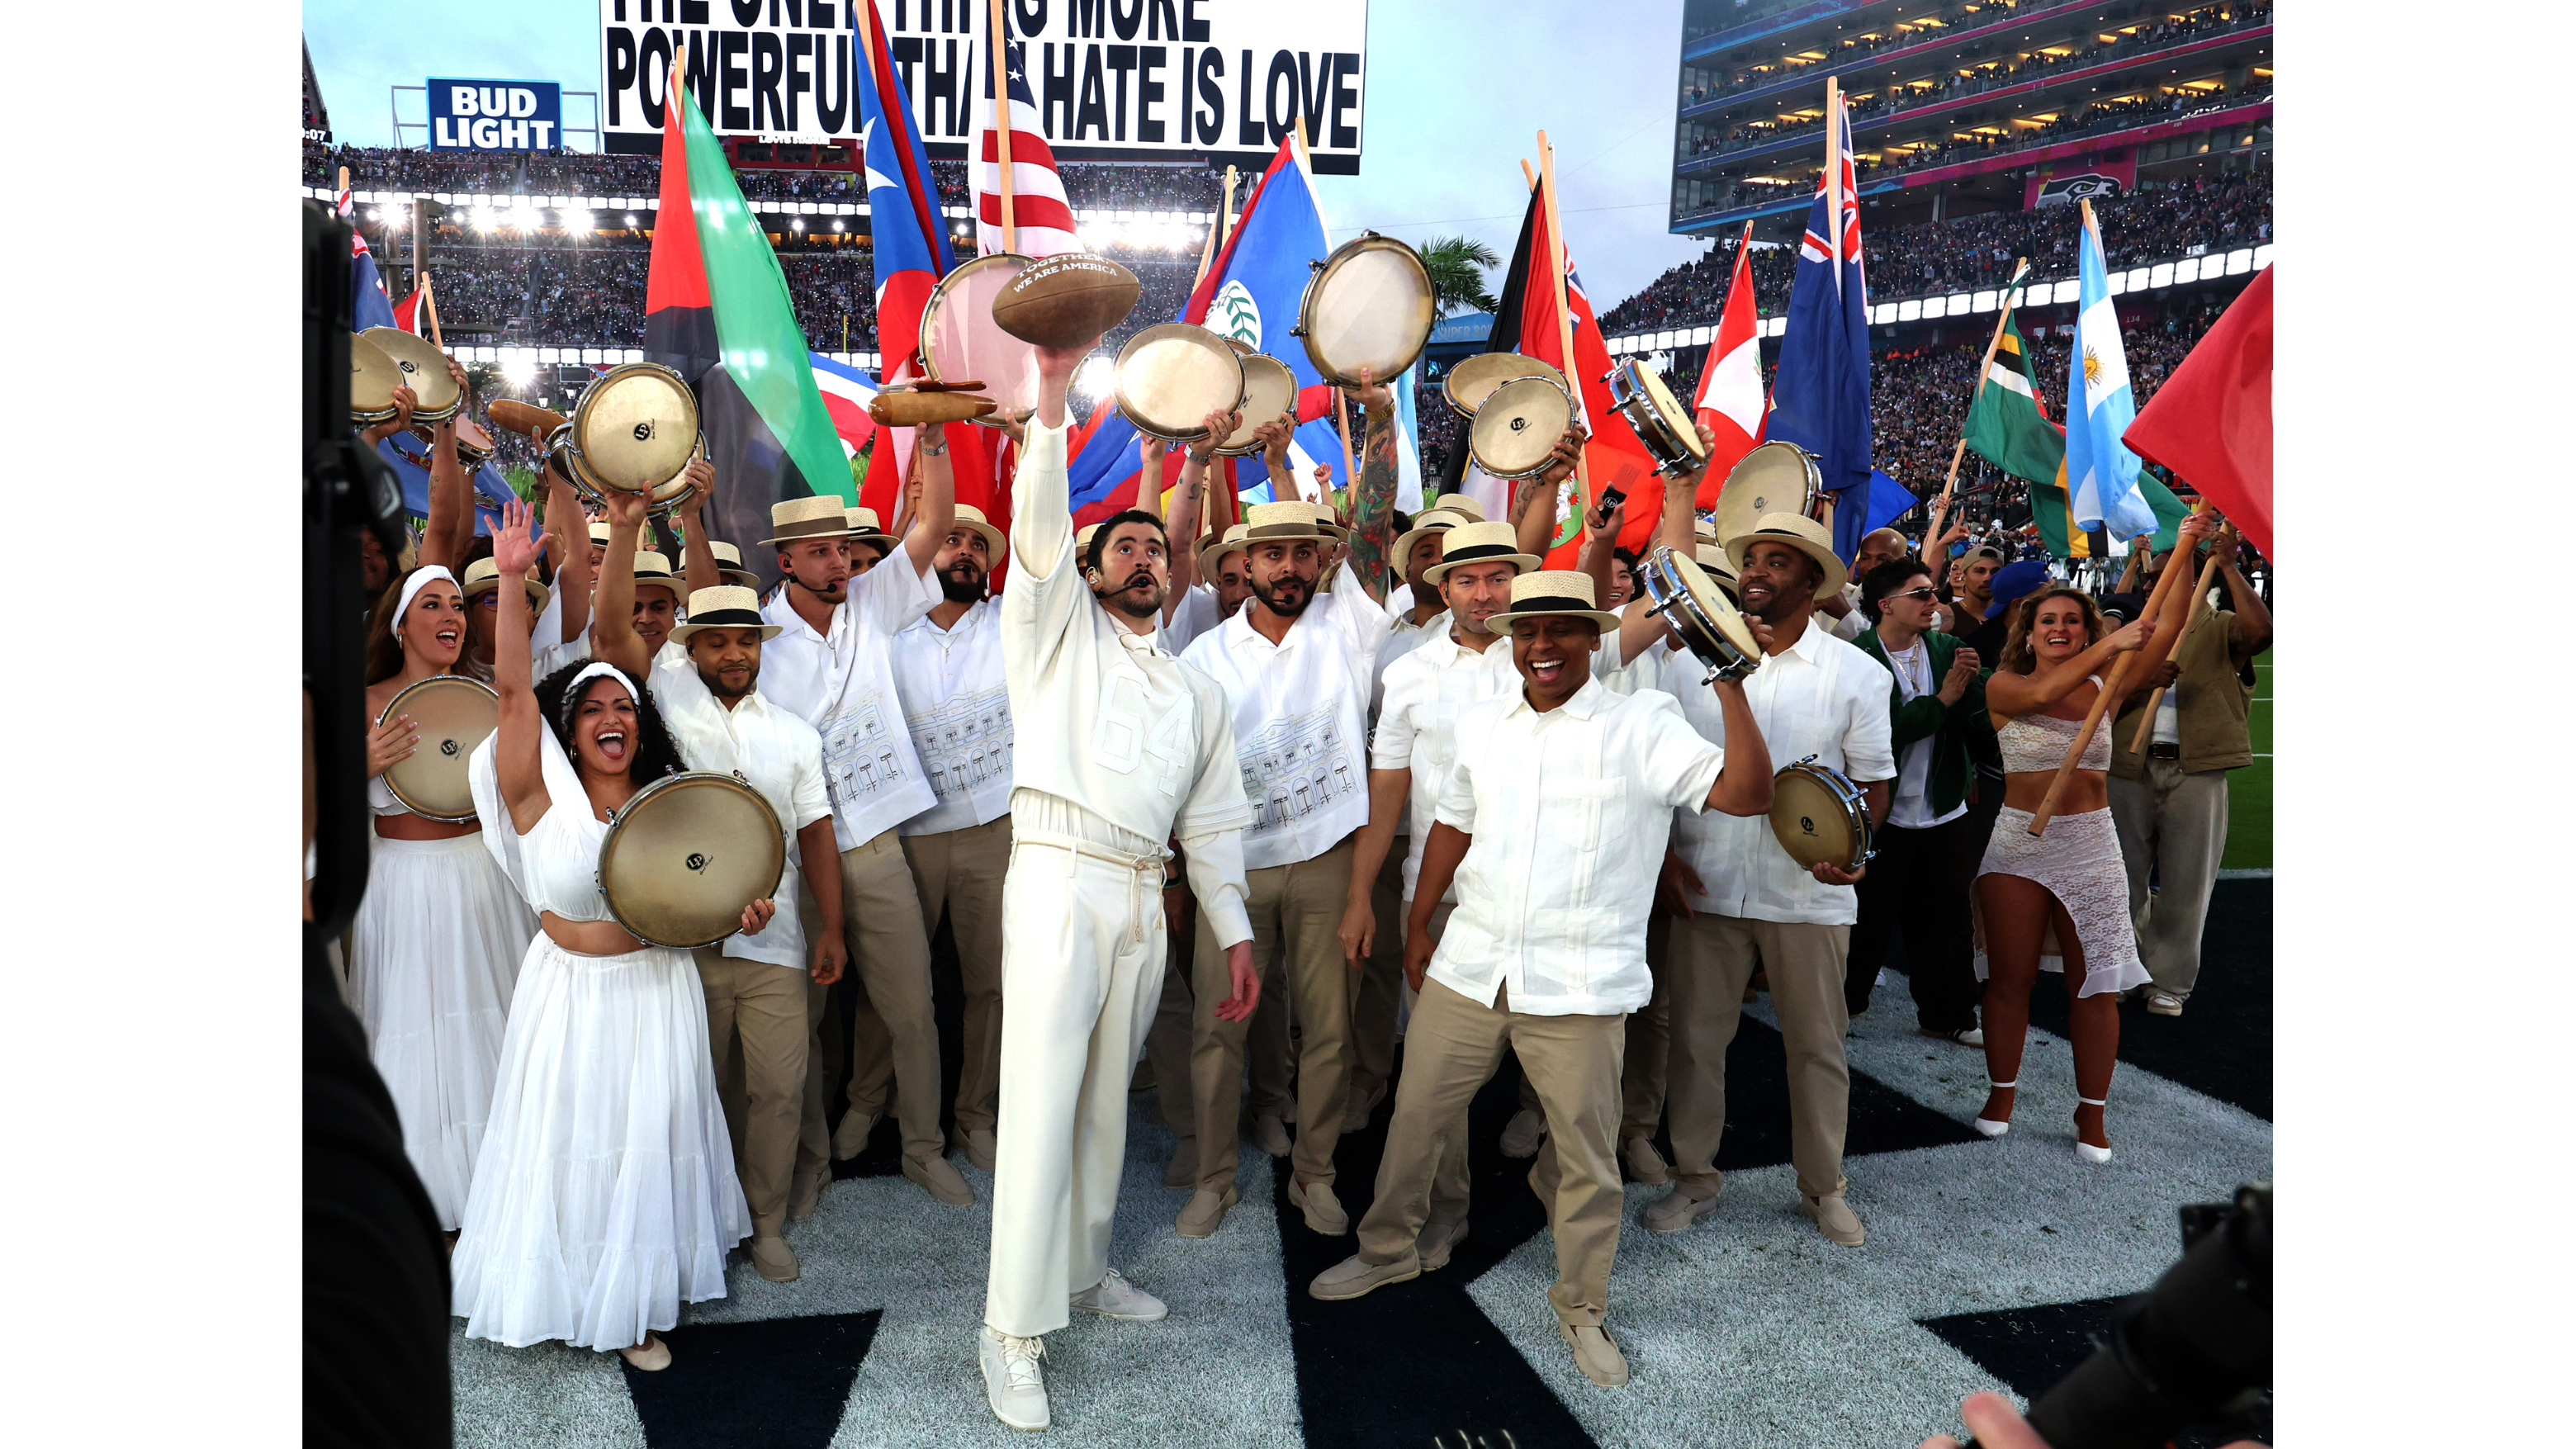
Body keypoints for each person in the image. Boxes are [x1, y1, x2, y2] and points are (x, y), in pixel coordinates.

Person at [1305, 569, 1774, 1392]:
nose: (1543, 646)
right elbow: (1452, 821)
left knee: (1587, 1162)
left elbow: (1746, 792)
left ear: (1593, 639)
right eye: (1528, 632)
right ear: (1512, 643)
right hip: (1472, 961)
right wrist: (1419, 922)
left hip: (1581, 983)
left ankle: (1581, 1306)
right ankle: (1387, 1252)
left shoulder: (1644, 722)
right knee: (1414, 1122)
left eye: (1562, 630)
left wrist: (1731, 684)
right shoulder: (1484, 724)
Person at [978, 329, 1261, 1432]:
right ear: (1092, 574)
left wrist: (1233, 930)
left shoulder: (1198, 691)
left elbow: (1217, 820)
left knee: (1105, 1105)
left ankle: (1085, 1272)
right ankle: (1009, 1328)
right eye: (1124, 546)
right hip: (1054, 877)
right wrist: (1052, 402)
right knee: (1043, 1107)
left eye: (1157, 546)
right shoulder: (1050, 636)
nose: (1144, 555)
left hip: (1145, 896)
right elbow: (1040, 536)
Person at [452, 501, 757, 1372]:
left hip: (655, 993)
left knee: (641, 1140)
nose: (611, 716)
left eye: (624, 704)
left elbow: (714, 891)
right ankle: (564, 1286)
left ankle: (630, 1305)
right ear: (569, 729)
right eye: (591, 708)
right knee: (569, 1138)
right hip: (567, 995)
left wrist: (742, 912)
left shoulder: (669, 805)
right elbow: (513, 690)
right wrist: (511, 580)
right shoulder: (534, 791)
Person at [1175, 367, 1400, 1243]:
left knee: (1330, 1028)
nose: (1291, 566)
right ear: (1244, 566)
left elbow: (1373, 527)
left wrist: (1376, 424)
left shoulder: (1346, 626)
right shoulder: (1203, 661)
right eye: (1273, 554)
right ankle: (1213, 1179)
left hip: (1326, 864)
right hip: (1233, 869)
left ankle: (1316, 1175)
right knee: (1219, 1029)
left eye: (1306, 552)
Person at [593, 522, 851, 1283]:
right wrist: (642, 514)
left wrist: (830, 927)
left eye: (747, 640)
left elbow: (818, 837)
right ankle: (698, 1223)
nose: (734, 653)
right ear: (691, 648)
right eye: (717, 641)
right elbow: (616, 629)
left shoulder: (798, 737)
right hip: (679, 943)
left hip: (775, 945)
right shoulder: (663, 699)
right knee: (694, 1091)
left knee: (777, 1088)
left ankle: (765, 1222)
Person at [1643, 512, 1895, 1248]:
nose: (1756, 571)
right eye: (1752, 558)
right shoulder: (1686, 660)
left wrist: (1859, 854)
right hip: (1707, 881)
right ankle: (1694, 1179)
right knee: (1695, 1041)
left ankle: (1824, 1187)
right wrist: (1662, 857)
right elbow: (1655, 773)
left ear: (1812, 583)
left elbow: (1874, 787)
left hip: (1810, 893)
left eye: (1778, 561)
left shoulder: (1857, 674)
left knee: (1817, 1045)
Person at [755, 461, 974, 1209]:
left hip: (876, 842)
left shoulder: (874, 605)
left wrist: (936, 437)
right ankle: (811, 1159)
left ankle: (923, 1148)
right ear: (785, 560)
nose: (838, 560)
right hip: (791, 854)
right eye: (819, 551)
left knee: (913, 1008)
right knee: (808, 1022)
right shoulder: (754, 636)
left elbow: (936, 524)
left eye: (843, 548)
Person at [1972, 517, 2209, 1163]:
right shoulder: (2004, 685)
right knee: (2009, 980)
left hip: (2092, 843)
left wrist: (2184, 549)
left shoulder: (2109, 687)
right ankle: (2001, 1094)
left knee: (2097, 983)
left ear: (2085, 628)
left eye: (2072, 620)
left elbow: (2169, 627)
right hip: (2019, 843)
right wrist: (2109, 645)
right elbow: (2046, 689)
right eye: (2047, 619)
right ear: (2029, 629)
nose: (2059, 628)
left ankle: (2092, 1111)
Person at [349, 564, 537, 1235]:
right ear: (401, 626)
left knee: (492, 1024)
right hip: (404, 885)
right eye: (431, 604)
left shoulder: (488, 693)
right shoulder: (360, 702)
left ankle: (499, 1192)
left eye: (457, 602)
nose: (451, 615)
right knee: (416, 1032)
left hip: (482, 879)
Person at [889, 502, 1016, 1171]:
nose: (965, 552)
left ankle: (975, 1114)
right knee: (898, 984)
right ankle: (873, 1099)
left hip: (994, 827)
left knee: (989, 984)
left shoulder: (1011, 626)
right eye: (951, 540)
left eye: (977, 545)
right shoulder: (885, 632)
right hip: (908, 832)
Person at [2108, 522, 2269, 1016]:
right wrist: (2138, 683)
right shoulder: (2132, 631)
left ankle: (2170, 982)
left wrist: (2228, 565)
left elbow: (2260, 632)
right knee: (2123, 876)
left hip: (2196, 766)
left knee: (2187, 881)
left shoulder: (2219, 627)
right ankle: (2124, 971)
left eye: (2175, 572)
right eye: (2158, 574)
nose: (2162, 581)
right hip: (2127, 763)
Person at [1848, 558, 1990, 1044]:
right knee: (1866, 915)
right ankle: (1845, 1003)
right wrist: (1943, 700)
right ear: (1886, 605)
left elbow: (1979, 721)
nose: (1934, 600)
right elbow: (1881, 735)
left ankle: (1947, 1013)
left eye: (1933, 591)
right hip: (1878, 811)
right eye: (1921, 593)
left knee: (1948, 917)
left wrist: (1974, 688)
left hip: (1941, 808)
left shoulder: (1948, 647)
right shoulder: (1856, 658)